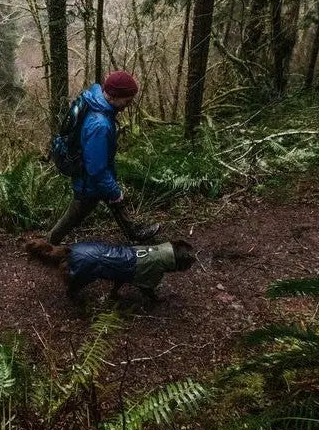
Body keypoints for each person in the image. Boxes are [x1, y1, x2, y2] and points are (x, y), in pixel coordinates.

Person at [48, 71, 161, 244]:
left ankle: (135, 234)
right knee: (76, 214)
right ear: (114, 96)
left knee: (116, 204)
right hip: (89, 183)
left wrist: (113, 192)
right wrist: (114, 191)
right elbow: (96, 169)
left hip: (93, 177)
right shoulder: (99, 125)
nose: (128, 105)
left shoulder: (99, 105)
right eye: (127, 100)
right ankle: (47, 243)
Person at [25, 238, 195, 300]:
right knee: (80, 280)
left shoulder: (149, 251)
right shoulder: (154, 266)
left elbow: (124, 274)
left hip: (86, 250)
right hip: (87, 261)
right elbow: (146, 286)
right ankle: (72, 294)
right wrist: (154, 299)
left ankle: (73, 289)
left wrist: (114, 291)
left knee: (117, 265)